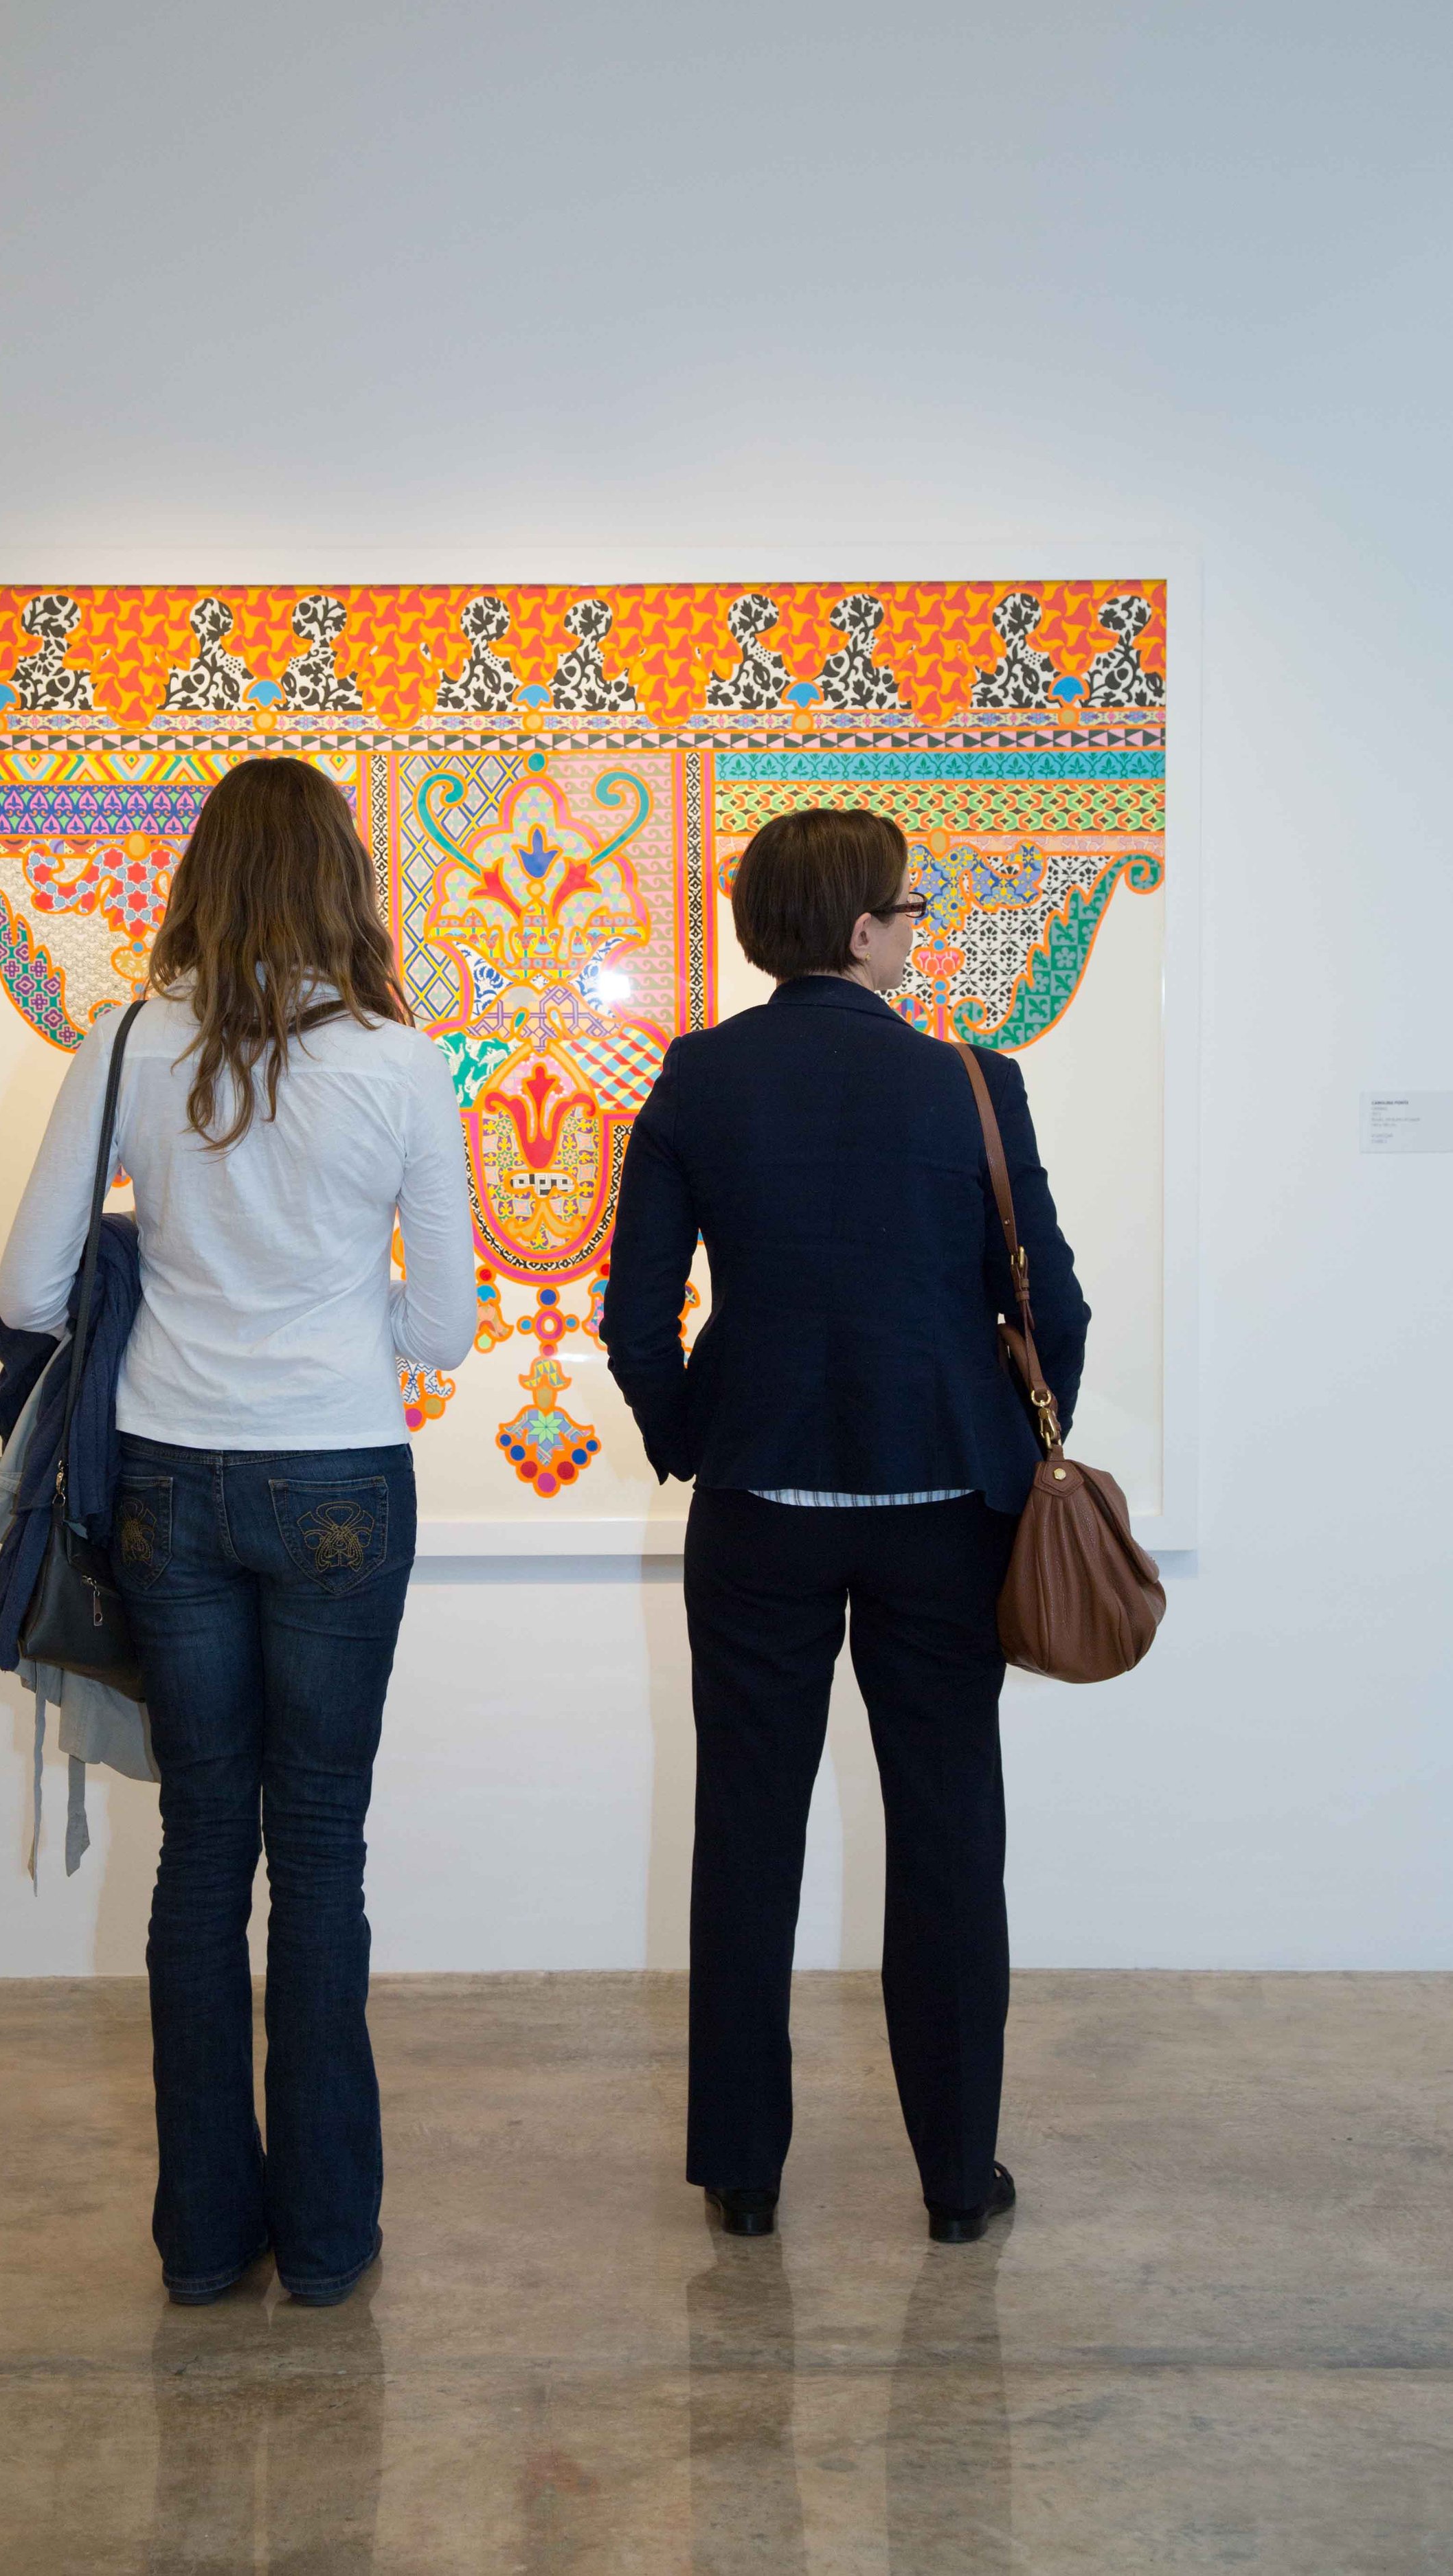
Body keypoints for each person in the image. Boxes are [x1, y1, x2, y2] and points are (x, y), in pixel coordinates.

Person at [0, 758, 476, 2306]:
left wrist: (171, 1277)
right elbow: (444, 1330)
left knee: (203, 1844)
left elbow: (29, 1292)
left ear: (204, 877)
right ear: (344, 884)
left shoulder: (128, 1041)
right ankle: (328, 2241)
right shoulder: (401, 1063)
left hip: (166, 1480)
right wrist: (333, 1311)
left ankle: (204, 2241)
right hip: (339, 1471)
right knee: (320, 1849)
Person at [601, 806, 1088, 2246]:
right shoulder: (972, 1083)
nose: (916, 929)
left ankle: (742, 2175)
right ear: (864, 930)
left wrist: (694, 1437)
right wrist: (1018, 1444)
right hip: (944, 1512)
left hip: (760, 1507)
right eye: (909, 909)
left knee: (746, 1830)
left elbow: (635, 1316)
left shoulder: (699, 1075)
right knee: (948, 1834)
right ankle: (955, 2179)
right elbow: (1052, 1306)